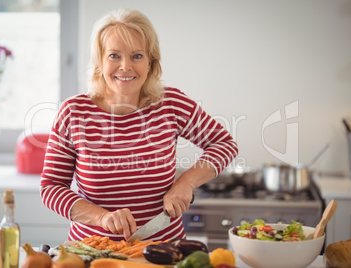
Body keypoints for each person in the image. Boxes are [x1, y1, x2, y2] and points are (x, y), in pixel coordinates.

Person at [40, 8, 238, 243]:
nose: (125, 66)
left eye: (137, 56)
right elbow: (51, 187)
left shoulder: (170, 103)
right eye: (114, 55)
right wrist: (101, 218)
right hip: (94, 252)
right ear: (100, 61)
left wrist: (185, 182)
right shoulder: (74, 112)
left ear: (151, 62)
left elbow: (224, 144)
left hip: (163, 251)